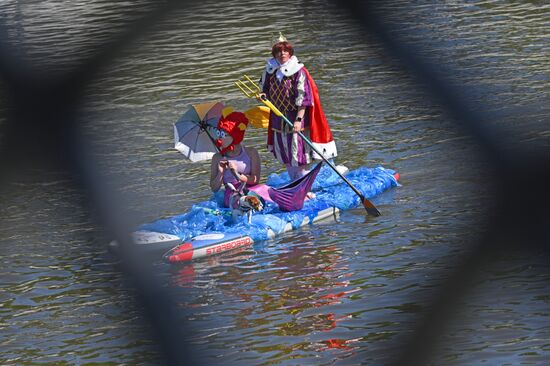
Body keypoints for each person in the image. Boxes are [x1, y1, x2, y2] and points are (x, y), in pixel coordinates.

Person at [259, 33, 337, 181]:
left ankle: (305, 187)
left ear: (290, 53)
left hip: (295, 116)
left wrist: (298, 119)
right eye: (278, 51)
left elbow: (305, 98)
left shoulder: (298, 71)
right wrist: (263, 96)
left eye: (285, 51)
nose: (282, 54)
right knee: (285, 153)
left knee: (299, 153)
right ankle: (295, 183)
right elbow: (265, 90)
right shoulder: (269, 71)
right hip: (278, 117)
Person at [210, 110, 261, 208]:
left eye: (224, 134)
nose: (219, 139)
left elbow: (255, 180)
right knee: (238, 201)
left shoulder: (251, 153)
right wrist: (221, 172)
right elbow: (214, 188)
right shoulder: (217, 158)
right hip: (232, 193)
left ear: (235, 135)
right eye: (218, 133)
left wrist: (236, 174)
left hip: (251, 190)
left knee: (256, 199)